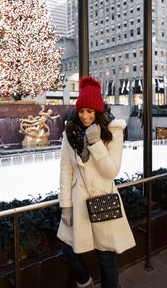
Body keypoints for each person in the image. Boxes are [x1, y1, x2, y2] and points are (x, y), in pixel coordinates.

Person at [57, 76, 136, 288]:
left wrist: (95, 142)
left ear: (98, 111)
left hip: (103, 199)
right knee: (68, 250)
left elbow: (112, 170)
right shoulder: (70, 132)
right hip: (78, 201)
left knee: (106, 257)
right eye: (82, 111)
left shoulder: (113, 131)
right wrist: (65, 205)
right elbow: (65, 169)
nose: (85, 116)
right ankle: (86, 282)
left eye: (90, 111)